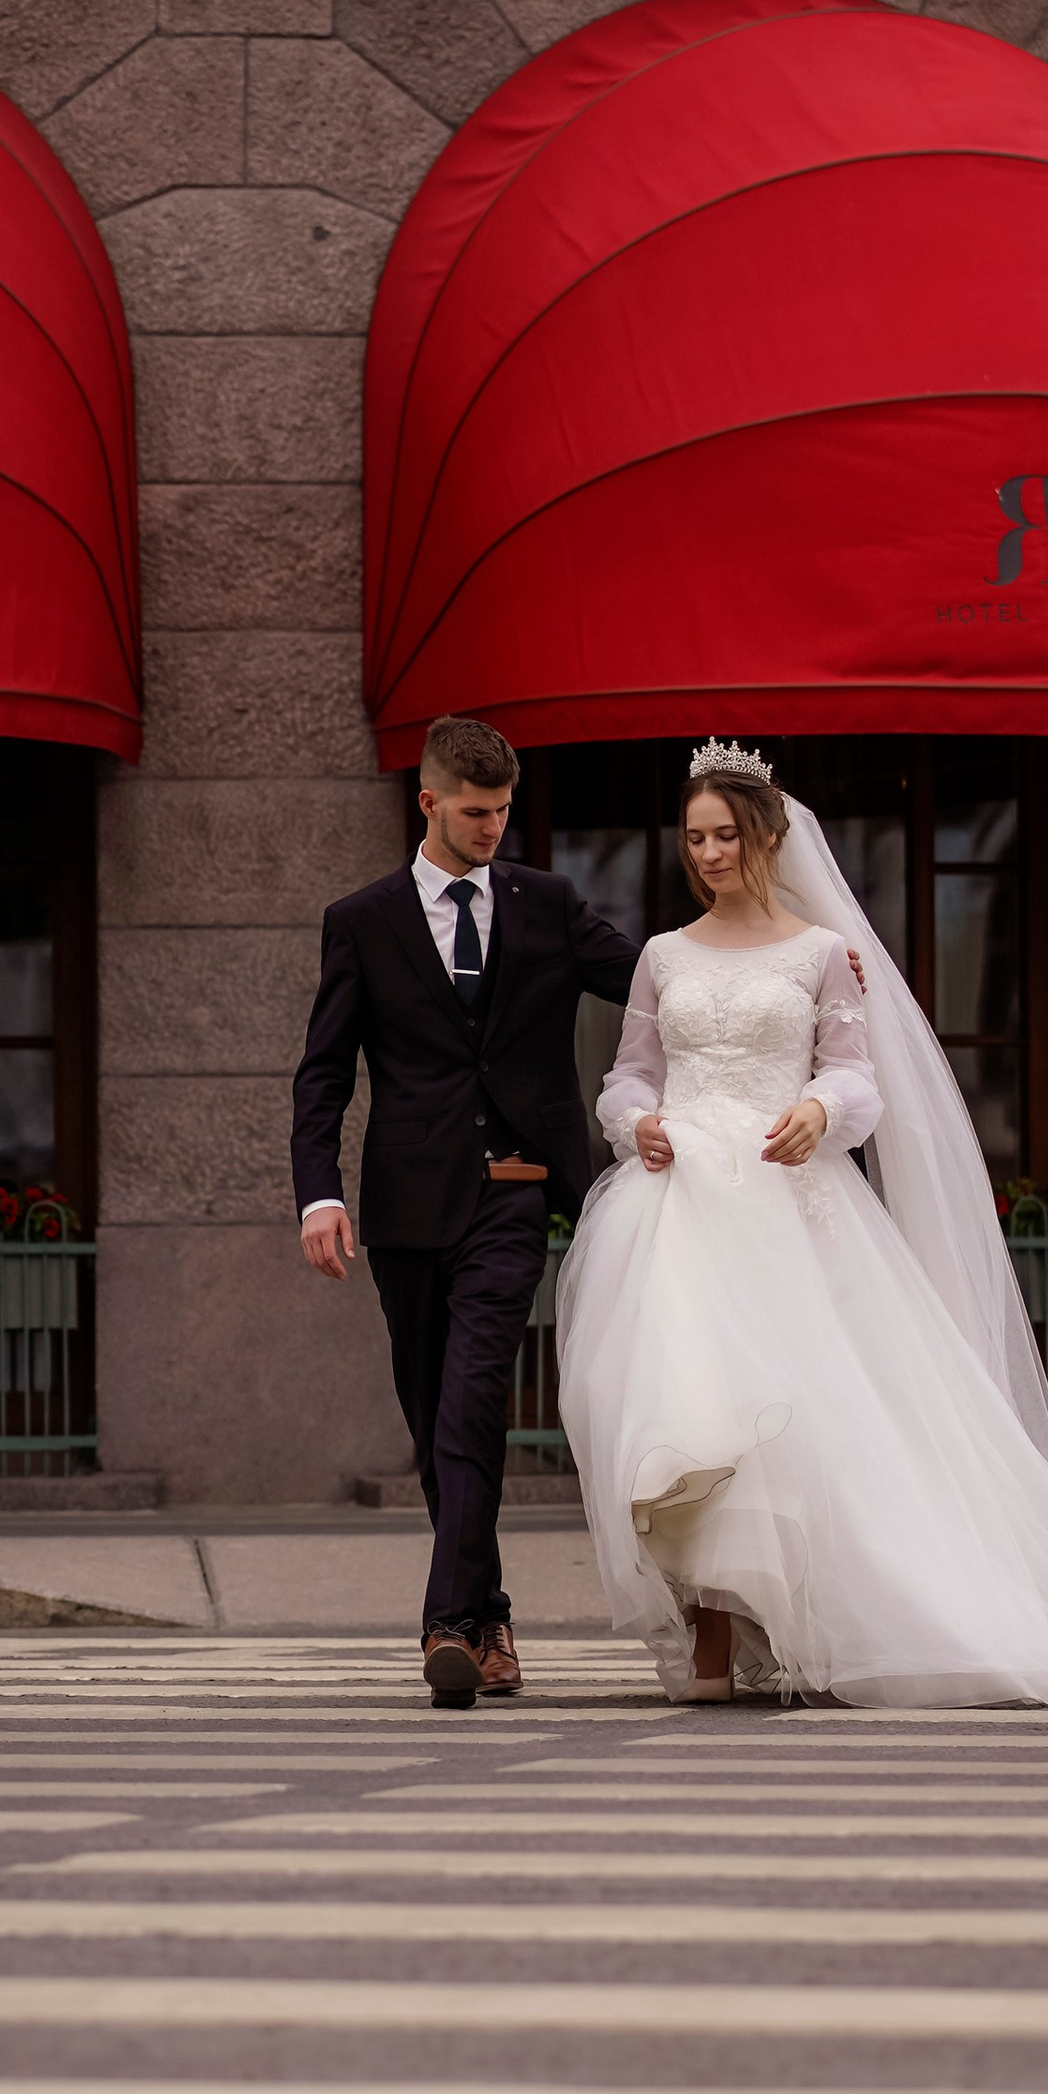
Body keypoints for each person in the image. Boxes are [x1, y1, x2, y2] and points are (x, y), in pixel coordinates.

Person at [555, 741, 1048, 1710]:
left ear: (764, 836)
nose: (707, 853)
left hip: (785, 1203)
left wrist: (821, 1112)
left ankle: (826, 1615)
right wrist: (633, 1123)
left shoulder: (819, 954)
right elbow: (629, 1072)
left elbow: (855, 1074)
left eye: (722, 835)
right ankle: (710, 1636)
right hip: (677, 1211)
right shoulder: (661, 955)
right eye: (693, 837)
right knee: (681, 1417)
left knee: (798, 1420)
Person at [292, 714, 641, 1705]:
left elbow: (656, 982)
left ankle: (446, 1624)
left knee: (473, 1404)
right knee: (430, 1418)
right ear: (429, 803)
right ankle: (487, 1616)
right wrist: (319, 1192)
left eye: (502, 814)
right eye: (476, 814)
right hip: (406, 1207)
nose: (492, 831)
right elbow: (321, 1077)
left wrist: (784, 965)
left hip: (517, 1194)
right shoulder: (360, 920)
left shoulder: (547, 902)